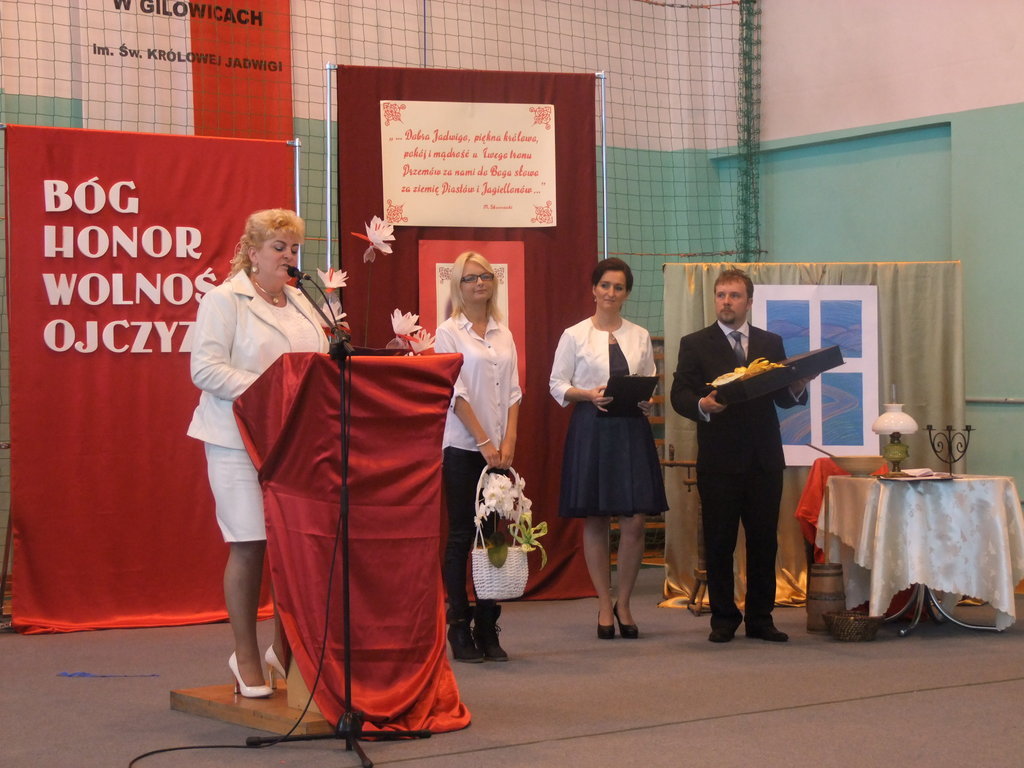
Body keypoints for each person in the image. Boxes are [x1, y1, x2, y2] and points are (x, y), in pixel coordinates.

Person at [187, 209, 329, 696]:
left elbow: (319, 365)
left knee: (293, 547)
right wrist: (272, 390)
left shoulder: (303, 302)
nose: (289, 256)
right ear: (253, 253)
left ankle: (283, 649)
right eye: (278, 247)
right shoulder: (224, 300)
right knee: (250, 543)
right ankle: (245, 655)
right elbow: (205, 369)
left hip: (294, 441)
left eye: (294, 248)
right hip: (235, 439)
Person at [670, 267, 809, 644]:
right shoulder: (695, 343)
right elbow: (679, 394)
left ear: (749, 301)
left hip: (764, 458)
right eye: (721, 295)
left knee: (764, 541)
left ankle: (761, 619)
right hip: (719, 459)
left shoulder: (770, 342)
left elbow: (783, 397)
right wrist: (701, 405)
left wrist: (797, 387)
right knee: (719, 542)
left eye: (734, 295)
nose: (726, 302)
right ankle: (723, 619)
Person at [549, 258, 667, 639]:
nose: (611, 293)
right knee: (596, 518)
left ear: (626, 293)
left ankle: (625, 603)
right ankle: (603, 602)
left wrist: (646, 401)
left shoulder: (640, 335)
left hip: (631, 428)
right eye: (605, 286)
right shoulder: (574, 335)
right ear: (593, 289)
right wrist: (587, 394)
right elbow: (556, 384)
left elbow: (648, 379)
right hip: (592, 427)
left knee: (635, 520)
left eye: (618, 287)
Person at [435, 251, 522, 663]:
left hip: (500, 454)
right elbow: (455, 394)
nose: (479, 283)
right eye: (470, 278)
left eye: (485, 276)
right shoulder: (449, 332)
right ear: (458, 286)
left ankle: (488, 625)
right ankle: (458, 625)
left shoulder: (504, 333)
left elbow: (514, 392)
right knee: (461, 536)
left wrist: (509, 440)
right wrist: (484, 440)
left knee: (493, 536)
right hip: (463, 448)